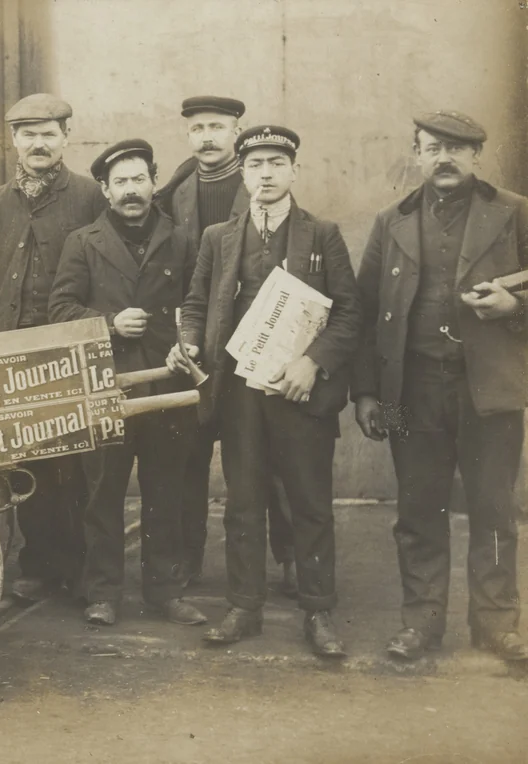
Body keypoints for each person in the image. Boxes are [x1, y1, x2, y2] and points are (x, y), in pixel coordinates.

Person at [171, 126, 361, 657]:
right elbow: (194, 303)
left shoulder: (322, 234)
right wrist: (188, 341)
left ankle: (319, 611)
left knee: (309, 502)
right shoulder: (218, 236)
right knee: (244, 501)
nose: (266, 174)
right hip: (239, 392)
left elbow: (349, 312)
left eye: (277, 163)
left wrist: (312, 363)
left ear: (294, 170)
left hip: (298, 391)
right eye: (256, 165)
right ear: (244, 172)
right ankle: (243, 606)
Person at [352, 111, 528, 663]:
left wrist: (515, 305)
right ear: (418, 153)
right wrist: (367, 394)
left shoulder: (515, 213)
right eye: (433, 148)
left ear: (478, 156)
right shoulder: (391, 221)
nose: (444, 158)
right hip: (409, 394)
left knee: (494, 506)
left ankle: (497, 624)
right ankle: (421, 624)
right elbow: (364, 312)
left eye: (457, 148)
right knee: (416, 505)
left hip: (491, 392)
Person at [49, 139, 203, 627]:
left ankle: (164, 591)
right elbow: (61, 310)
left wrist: (189, 344)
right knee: (103, 493)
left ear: (154, 182)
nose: (131, 190)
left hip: (166, 387)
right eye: (121, 182)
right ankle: (103, 593)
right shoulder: (83, 241)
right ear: (105, 189)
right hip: (108, 385)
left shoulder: (180, 240)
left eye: (139, 179)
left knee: (166, 492)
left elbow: (195, 309)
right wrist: (111, 323)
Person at [156, 96, 296, 593]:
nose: (208, 137)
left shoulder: (260, 182)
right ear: (188, 135)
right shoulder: (175, 193)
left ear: (236, 130)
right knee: (189, 460)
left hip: (258, 345)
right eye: (198, 128)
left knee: (271, 460)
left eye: (217, 126)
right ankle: (188, 559)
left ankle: (290, 558)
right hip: (197, 344)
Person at [0, 93, 106, 604]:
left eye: (48, 133)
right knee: (24, 459)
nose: (38, 144)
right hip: (12, 347)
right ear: (13, 141)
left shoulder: (89, 195)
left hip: (67, 346)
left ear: (66, 138)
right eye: (28, 134)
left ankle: (77, 568)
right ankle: (37, 566)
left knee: (74, 460)